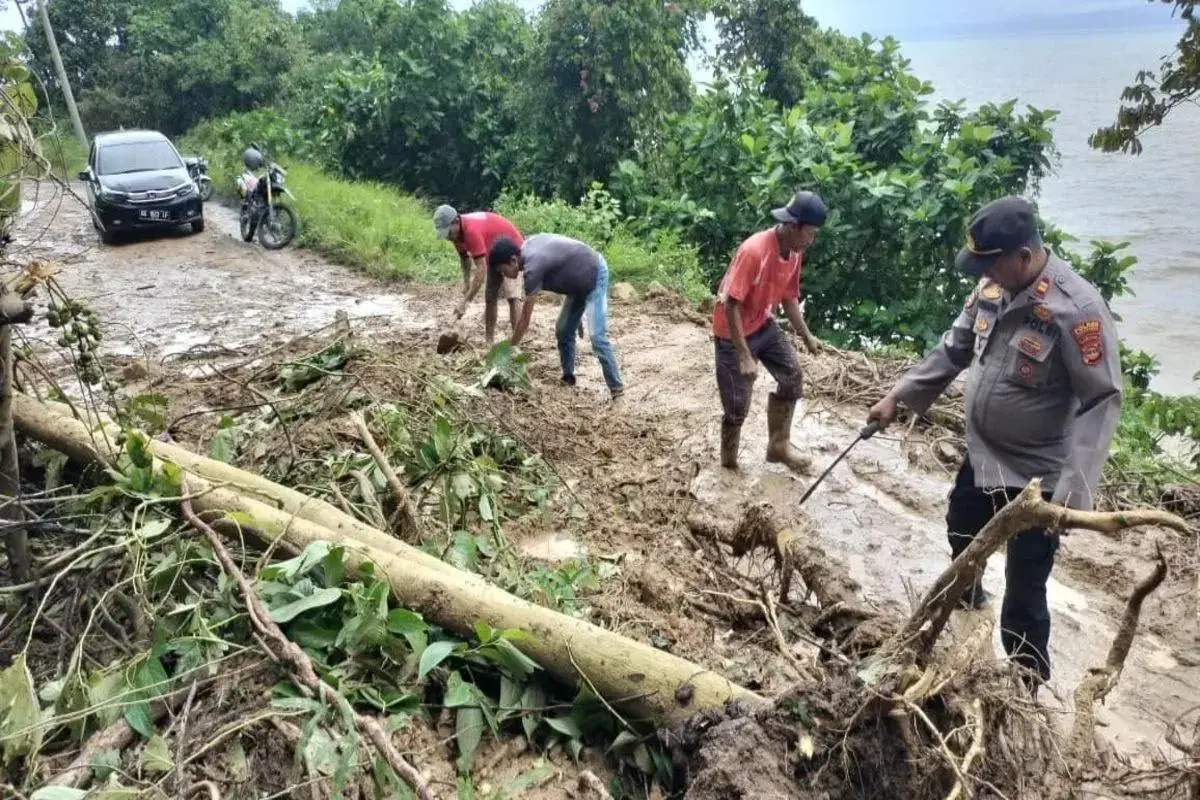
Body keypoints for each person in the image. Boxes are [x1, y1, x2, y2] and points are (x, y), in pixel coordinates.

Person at [867, 195, 1123, 692]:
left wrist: (1071, 495)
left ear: (1023, 257)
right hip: (984, 454)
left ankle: (1026, 684)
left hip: (1038, 476)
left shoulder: (1077, 310)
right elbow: (955, 347)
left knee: (1025, 590)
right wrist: (899, 395)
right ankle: (967, 600)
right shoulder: (993, 288)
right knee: (962, 529)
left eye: (991, 264)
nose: (983, 275)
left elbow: (1102, 399)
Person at [713, 189, 826, 473]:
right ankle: (728, 464)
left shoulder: (794, 253)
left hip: (763, 323)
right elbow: (731, 304)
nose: (812, 241)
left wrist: (807, 336)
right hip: (732, 332)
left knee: (792, 375)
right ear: (793, 226)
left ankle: (778, 446)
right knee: (737, 407)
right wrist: (744, 355)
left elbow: (789, 298)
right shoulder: (754, 251)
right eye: (810, 233)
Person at [487, 234, 625, 398]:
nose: (504, 275)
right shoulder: (527, 247)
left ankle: (616, 387)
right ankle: (568, 377)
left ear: (513, 261)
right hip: (577, 281)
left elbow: (524, 319)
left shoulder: (533, 267)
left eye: (503, 270)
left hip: (594, 274)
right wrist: (575, 315)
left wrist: (508, 350)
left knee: (597, 336)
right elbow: (561, 263)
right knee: (563, 329)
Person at [433, 204, 525, 345]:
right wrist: (466, 283)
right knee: (490, 298)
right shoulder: (456, 236)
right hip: (492, 253)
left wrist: (465, 302)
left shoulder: (471, 231)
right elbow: (464, 258)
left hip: (511, 247)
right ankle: (489, 342)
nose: (448, 237)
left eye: (448, 232)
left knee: (513, 297)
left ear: (456, 222)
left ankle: (516, 342)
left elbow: (480, 272)